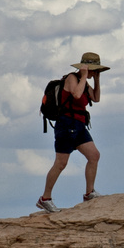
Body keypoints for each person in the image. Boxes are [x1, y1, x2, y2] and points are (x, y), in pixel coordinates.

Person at [38, 52, 108, 212]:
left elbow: (96, 98)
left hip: (79, 125)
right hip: (66, 125)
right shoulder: (72, 78)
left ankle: (89, 193)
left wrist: (97, 79)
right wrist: (83, 76)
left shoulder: (85, 83)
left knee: (94, 156)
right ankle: (45, 198)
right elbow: (76, 94)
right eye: (93, 70)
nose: (93, 73)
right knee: (61, 163)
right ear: (86, 68)